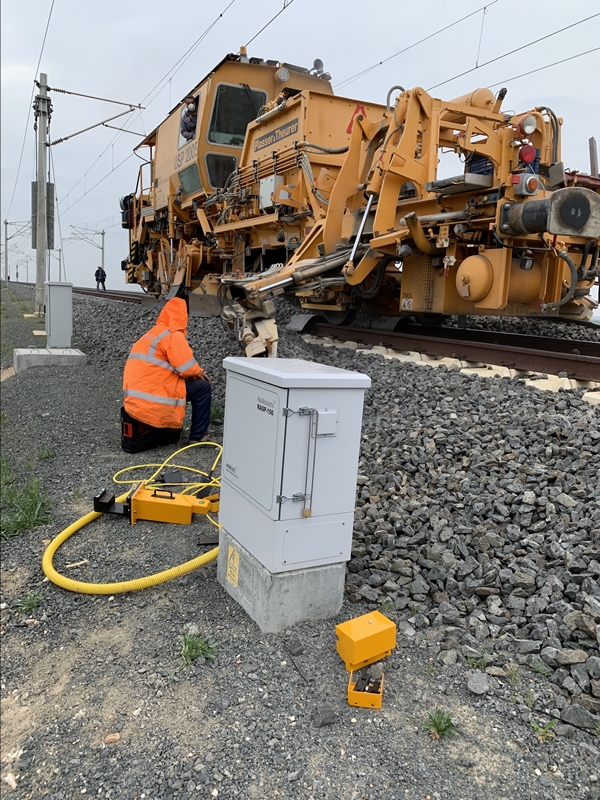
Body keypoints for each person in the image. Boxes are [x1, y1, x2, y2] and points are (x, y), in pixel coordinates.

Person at [123, 297, 211, 443]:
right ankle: (199, 436)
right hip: (154, 396)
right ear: (183, 316)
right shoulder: (172, 334)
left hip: (135, 398)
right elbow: (188, 369)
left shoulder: (152, 333)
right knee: (203, 388)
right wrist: (199, 372)